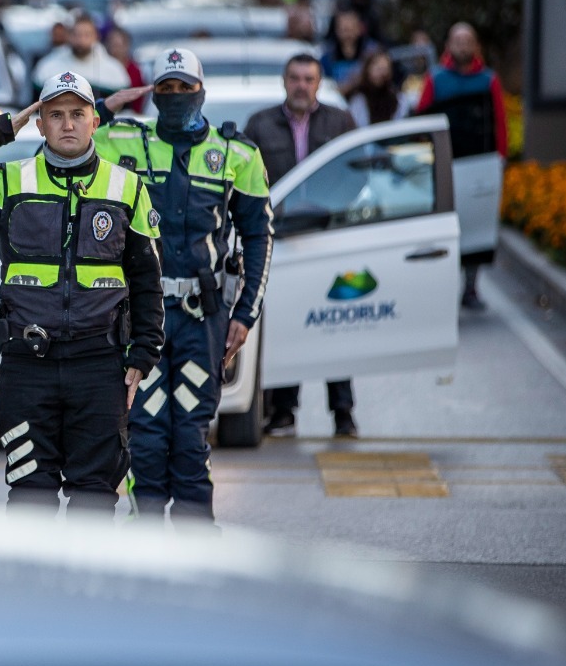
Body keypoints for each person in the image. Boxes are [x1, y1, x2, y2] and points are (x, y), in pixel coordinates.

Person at [0, 70, 163, 515]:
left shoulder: (127, 187)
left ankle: (83, 587)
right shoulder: (9, 181)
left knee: (93, 495)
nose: (67, 124)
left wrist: (143, 354)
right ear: (39, 123)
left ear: (95, 121)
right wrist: (2, 129)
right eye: (55, 115)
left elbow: (148, 278)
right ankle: (32, 587)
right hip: (26, 367)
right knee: (30, 497)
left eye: (77, 114)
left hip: (99, 366)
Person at [95, 48, 273, 523]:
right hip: (141, 321)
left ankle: (197, 539)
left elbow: (258, 237)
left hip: (203, 318)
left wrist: (245, 314)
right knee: (147, 433)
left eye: (184, 88)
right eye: (166, 89)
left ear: (202, 92)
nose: (175, 97)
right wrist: (105, 106)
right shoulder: (121, 142)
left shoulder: (238, 154)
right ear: (153, 95)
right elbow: (60, 138)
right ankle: (148, 538)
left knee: (192, 433)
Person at [243, 54, 359, 437]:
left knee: (334, 324)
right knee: (285, 324)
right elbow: (247, 181)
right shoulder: (260, 125)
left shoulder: (340, 122)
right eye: (294, 77)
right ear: (284, 80)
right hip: (282, 240)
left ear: (319, 83)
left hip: (330, 238)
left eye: (309, 78)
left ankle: (343, 411)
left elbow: (358, 174)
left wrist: (334, 213)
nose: (301, 85)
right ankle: (283, 412)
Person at [416, 21, 509, 311]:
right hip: (445, 166)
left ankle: (470, 288)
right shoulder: (436, 79)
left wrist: (500, 158)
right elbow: (422, 120)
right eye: (458, 40)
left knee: (476, 229)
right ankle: (442, 289)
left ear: (476, 46)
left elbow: (500, 122)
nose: (463, 46)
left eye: (468, 41)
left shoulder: (488, 80)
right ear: (448, 44)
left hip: (479, 165)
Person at [31, 13, 129, 96]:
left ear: (96, 36)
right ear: (68, 36)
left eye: (87, 35)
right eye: (76, 34)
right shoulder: (47, 67)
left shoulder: (114, 70)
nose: (81, 41)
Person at [344, 48, 411, 126]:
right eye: (378, 69)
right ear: (368, 70)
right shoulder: (358, 100)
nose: (382, 74)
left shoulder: (399, 99)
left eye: (385, 69)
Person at [321, 10, 379, 89]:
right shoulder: (327, 54)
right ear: (336, 30)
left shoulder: (373, 52)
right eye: (344, 29)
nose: (348, 34)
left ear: (359, 29)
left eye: (351, 29)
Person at [103, 24, 148, 113]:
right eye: (112, 45)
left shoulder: (135, 71)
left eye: (118, 45)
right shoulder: (102, 68)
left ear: (126, 46)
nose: (114, 50)